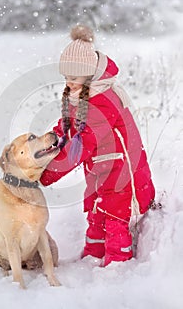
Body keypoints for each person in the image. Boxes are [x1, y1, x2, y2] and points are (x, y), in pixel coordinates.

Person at [40, 25, 155, 266]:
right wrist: (47, 144)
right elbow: (69, 126)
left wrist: (46, 174)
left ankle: (117, 264)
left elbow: (82, 144)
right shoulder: (84, 94)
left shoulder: (102, 101)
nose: (69, 82)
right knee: (96, 214)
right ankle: (93, 257)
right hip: (101, 168)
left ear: (89, 74)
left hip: (120, 171)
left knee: (114, 217)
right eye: (66, 77)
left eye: (74, 77)